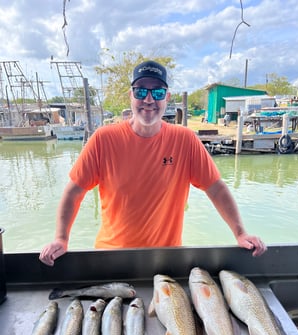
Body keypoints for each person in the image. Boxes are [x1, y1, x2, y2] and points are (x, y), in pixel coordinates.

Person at [39, 60, 266, 266]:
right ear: (131, 95)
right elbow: (74, 192)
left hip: (166, 260)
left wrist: (240, 233)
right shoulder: (103, 139)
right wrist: (61, 238)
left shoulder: (185, 140)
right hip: (110, 258)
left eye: (157, 92)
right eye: (141, 91)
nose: (149, 100)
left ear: (167, 98)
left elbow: (216, 188)